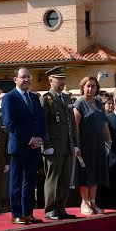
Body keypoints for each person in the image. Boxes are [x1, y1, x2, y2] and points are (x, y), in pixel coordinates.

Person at [2, 67, 47, 225]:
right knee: (16, 181)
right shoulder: (9, 97)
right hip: (20, 146)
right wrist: (29, 139)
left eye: (28, 77)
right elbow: (9, 123)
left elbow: (40, 120)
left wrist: (40, 139)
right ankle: (16, 214)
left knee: (30, 180)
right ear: (15, 79)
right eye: (23, 77)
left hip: (34, 147)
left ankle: (28, 212)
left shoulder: (34, 98)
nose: (26, 80)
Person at [40, 67, 79, 220]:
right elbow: (43, 125)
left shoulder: (67, 98)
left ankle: (61, 208)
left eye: (63, 79)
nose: (62, 82)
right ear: (51, 80)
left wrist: (75, 143)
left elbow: (72, 124)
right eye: (59, 79)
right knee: (53, 179)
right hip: (54, 146)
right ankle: (50, 210)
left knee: (65, 178)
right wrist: (46, 145)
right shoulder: (46, 99)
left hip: (67, 145)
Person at [73, 76, 111, 215]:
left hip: (98, 145)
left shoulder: (99, 104)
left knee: (96, 173)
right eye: (88, 86)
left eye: (93, 86)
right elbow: (75, 127)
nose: (90, 88)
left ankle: (93, 201)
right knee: (85, 174)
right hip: (85, 145)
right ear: (83, 87)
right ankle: (84, 202)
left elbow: (104, 124)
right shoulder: (79, 104)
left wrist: (109, 141)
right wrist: (76, 146)